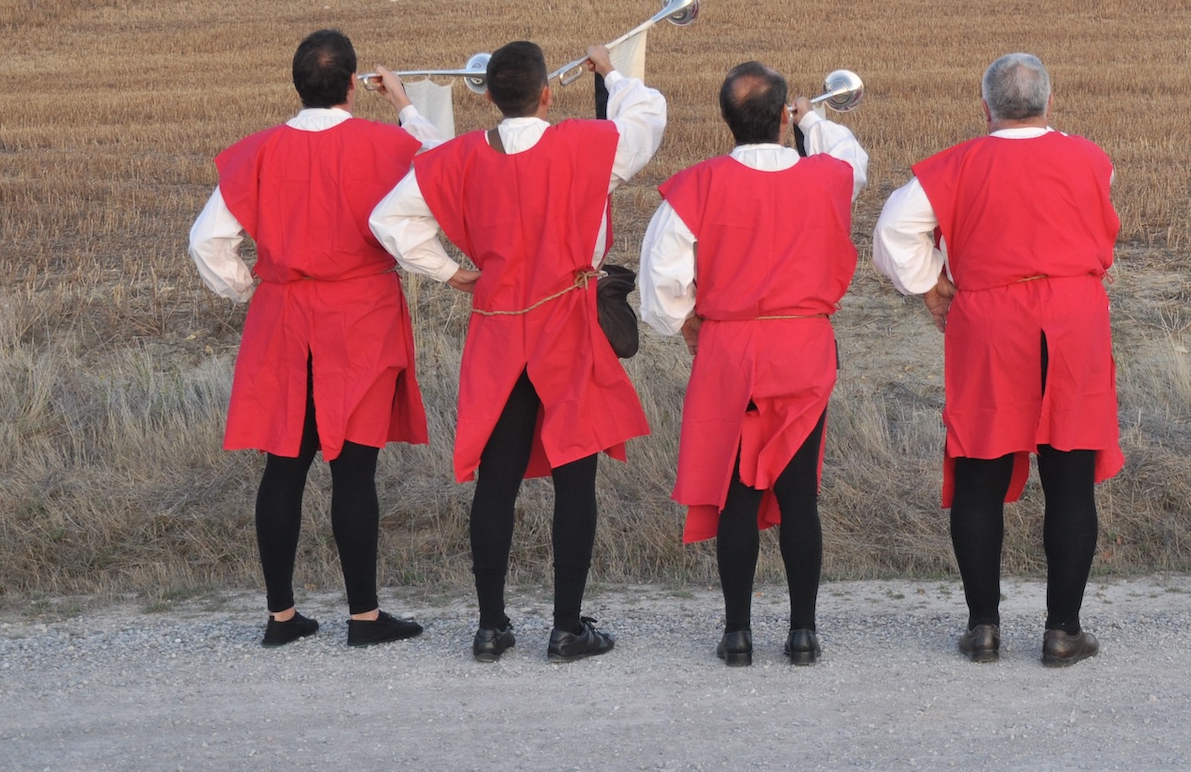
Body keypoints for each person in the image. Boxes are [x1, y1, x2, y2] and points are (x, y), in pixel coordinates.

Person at [370, 40, 665, 663]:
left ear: (487, 98)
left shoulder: (462, 158)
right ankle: (565, 628)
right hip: (567, 325)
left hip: (499, 328)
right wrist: (611, 73)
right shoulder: (586, 147)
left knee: (496, 484)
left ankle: (490, 626)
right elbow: (648, 118)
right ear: (549, 95)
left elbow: (392, 215)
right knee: (575, 479)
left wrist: (449, 272)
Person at [189, 30, 449, 648]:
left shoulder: (256, 152)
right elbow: (443, 166)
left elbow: (206, 241)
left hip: (283, 316)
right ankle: (364, 617)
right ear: (355, 84)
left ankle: (281, 617)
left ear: (296, 85)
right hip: (360, 315)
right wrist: (407, 105)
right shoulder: (388, 143)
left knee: (284, 465)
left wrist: (248, 286)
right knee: (354, 470)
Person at [873, 53, 1122, 668]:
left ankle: (983, 627)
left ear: (985, 108)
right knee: (1070, 476)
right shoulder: (1093, 159)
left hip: (989, 321)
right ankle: (1063, 630)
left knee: (979, 472)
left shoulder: (957, 163)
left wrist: (930, 283)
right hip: (1073, 316)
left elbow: (890, 234)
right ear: (1049, 103)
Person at [640, 63, 869, 666]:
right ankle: (802, 633)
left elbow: (659, 283)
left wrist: (687, 324)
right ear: (781, 114)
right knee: (799, 495)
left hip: (730, 348)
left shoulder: (698, 184)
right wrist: (813, 118)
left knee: (736, 492)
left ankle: (737, 633)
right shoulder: (828, 176)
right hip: (803, 347)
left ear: (726, 121)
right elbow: (853, 156)